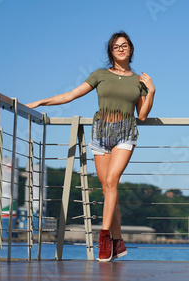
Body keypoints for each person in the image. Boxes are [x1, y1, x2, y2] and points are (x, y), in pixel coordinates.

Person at [26, 31, 155, 262]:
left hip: (125, 134)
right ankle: (118, 241)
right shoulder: (100, 75)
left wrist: (151, 90)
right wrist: (40, 102)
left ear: (131, 49)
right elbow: (71, 95)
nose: (121, 49)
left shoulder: (139, 81)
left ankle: (104, 239)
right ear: (111, 52)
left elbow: (143, 115)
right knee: (107, 191)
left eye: (125, 45)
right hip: (101, 134)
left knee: (111, 182)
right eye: (116, 47)